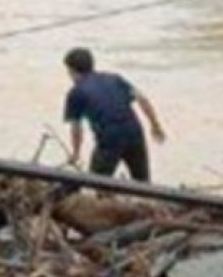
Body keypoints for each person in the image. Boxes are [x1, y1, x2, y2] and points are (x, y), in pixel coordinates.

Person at [62, 48, 166, 182]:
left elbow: (76, 128)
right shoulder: (115, 79)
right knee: (142, 183)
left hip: (110, 137)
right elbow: (142, 99)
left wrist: (76, 153)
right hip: (134, 130)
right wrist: (155, 125)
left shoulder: (76, 92)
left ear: (72, 71)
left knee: (96, 183)